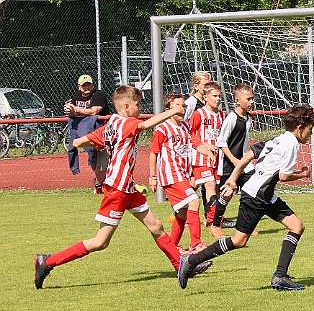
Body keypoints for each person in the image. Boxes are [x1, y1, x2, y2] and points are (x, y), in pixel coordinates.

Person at [33, 86, 212, 289]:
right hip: (117, 189)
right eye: (138, 104)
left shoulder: (111, 124)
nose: (139, 107)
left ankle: (180, 265)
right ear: (127, 107)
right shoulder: (126, 123)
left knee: (156, 226)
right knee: (101, 242)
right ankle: (46, 262)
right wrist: (172, 111)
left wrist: (102, 143)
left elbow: (79, 141)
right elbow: (145, 126)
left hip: (128, 188)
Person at [177, 104, 314, 291]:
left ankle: (280, 276)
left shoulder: (279, 139)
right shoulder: (291, 143)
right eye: (310, 130)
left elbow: (249, 155)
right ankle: (191, 260)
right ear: (300, 128)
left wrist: (233, 179)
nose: (310, 134)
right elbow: (283, 176)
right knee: (239, 241)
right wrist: (303, 174)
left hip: (264, 194)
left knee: (297, 226)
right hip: (256, 196)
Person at [149, 93, 215, 254]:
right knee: (194, 201)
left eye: (183, 106)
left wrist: (208, 153)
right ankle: (196, 243)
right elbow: (153, 152)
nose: (181, 110)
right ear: (168, 110)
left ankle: (172, 247)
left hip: (182, 175)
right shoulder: (163, 128)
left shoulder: (185, 126)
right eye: (177, 106)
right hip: (170, 175)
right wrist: (152, 176)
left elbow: (196, 143)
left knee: (183, 211)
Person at [209, 83, 261, 239]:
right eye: (249, 99)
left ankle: (245, 226)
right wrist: (234, 160)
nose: (252, 102)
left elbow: (243, 143)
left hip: (244, 164)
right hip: (228, 164)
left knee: (250, 193)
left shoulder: (248, 118)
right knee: (227, 194)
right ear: (237, 101)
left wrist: (247, 161)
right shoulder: (231, 118)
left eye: (253, 98)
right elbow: (221, 142)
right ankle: (215, 225)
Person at [188, 81, 226, 228]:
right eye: (214, 96)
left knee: (215, 188)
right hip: (201, 157)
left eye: (219, 96)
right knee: (209, 185)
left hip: (217, 158)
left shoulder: (222, 115)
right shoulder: (199, 114)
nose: (218, 99)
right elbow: (190, 135)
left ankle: (182, 210)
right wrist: (204, 147)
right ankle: (213, 221)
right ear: (205, 97)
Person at [65, 74, 109, 194]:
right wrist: (70, 111)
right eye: (84, 85)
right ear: (79, 87)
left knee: (103, 163)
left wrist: (77, 110)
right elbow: (73, 116)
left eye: (89, 84)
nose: (86, 87)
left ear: (93, 85)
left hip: (101, 131)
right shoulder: (76, 96)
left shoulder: (98, 94)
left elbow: (95, 111)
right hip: (86, 132)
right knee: (94, 163)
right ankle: (99, 182)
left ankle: (100, 184)